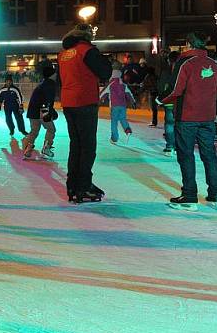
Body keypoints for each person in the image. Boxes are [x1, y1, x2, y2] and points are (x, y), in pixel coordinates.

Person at [160, 32, 217, 210]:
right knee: (209, 154)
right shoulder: (212, 64)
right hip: (207, 117)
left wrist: (161, 99)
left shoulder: (185, 62)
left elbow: (175, 89)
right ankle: (215, 192)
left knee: (186, 154)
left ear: (189, 44)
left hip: (187, 116)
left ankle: (189, 195)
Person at [58, 23, 112, 203]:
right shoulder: (86, 50)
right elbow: (105, 71)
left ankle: (73, 184)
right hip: (85, 101)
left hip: (69, 102)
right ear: (87, 35)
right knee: (87, 146)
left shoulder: (64, 54)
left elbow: (61, 79)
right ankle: (84, 186)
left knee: (76, 145)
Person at [22, 65, 58, 159]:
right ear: (51, 75)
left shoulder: (42, 84)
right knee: (51, 129)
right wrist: (46, 113)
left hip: (32, 112)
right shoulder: (50, 85)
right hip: (42, 111)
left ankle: (28, 149)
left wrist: (51, 111)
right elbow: (46, 101)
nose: (56, 74)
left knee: (34, 131)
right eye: (54, 73)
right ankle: (46, 147)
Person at [100, 69, 136, 144]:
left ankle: (114, 138)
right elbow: (129, 93)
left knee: (114, 122)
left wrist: (99, 99)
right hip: (123, 105)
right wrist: (133, 102)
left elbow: (104, 93)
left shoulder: (111, 84)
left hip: (114, 106)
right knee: (123, 118)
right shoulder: (123, 84)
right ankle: (127, 129)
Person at [157, 51, 180, 154]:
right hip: (180, 102)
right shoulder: (182, 70)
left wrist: (160, 99)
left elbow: (161, 87)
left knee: (170, 124)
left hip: (169, 101)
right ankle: (177, 146)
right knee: (178, 124)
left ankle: (170, 146)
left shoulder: (166, 72)